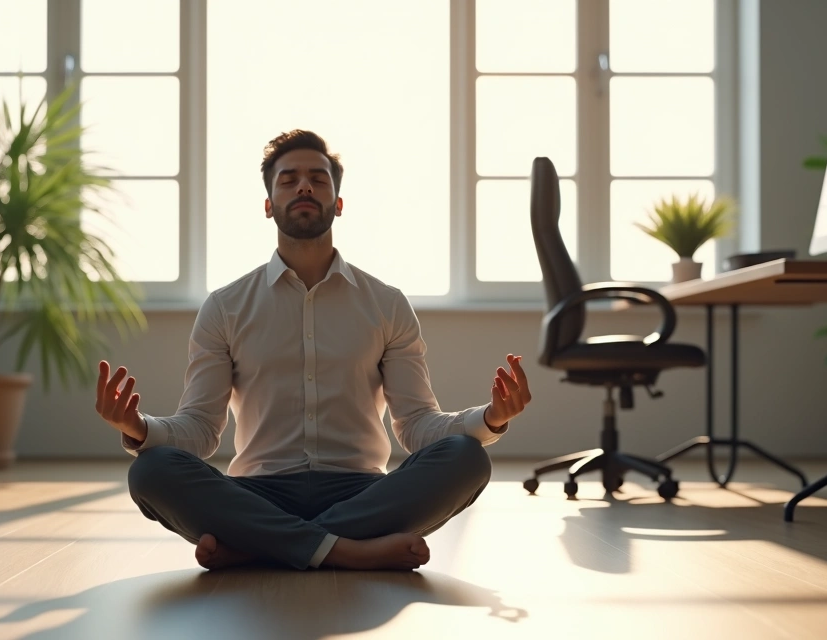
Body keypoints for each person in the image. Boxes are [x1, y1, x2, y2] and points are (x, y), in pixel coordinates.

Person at [94, 130, 532, 571]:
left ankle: (261, 546)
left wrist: (491, 419)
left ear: (338, 204)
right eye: (288, 179)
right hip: (260, 491)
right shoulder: (225, 307)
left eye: (318, 179)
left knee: (467, 458)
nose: (304, 186)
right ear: (268, 206)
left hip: (361, 493)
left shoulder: (386, 303)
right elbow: (202, 429)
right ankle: (348, 550)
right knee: (151, 470)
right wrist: (138, 426)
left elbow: (417, 425)